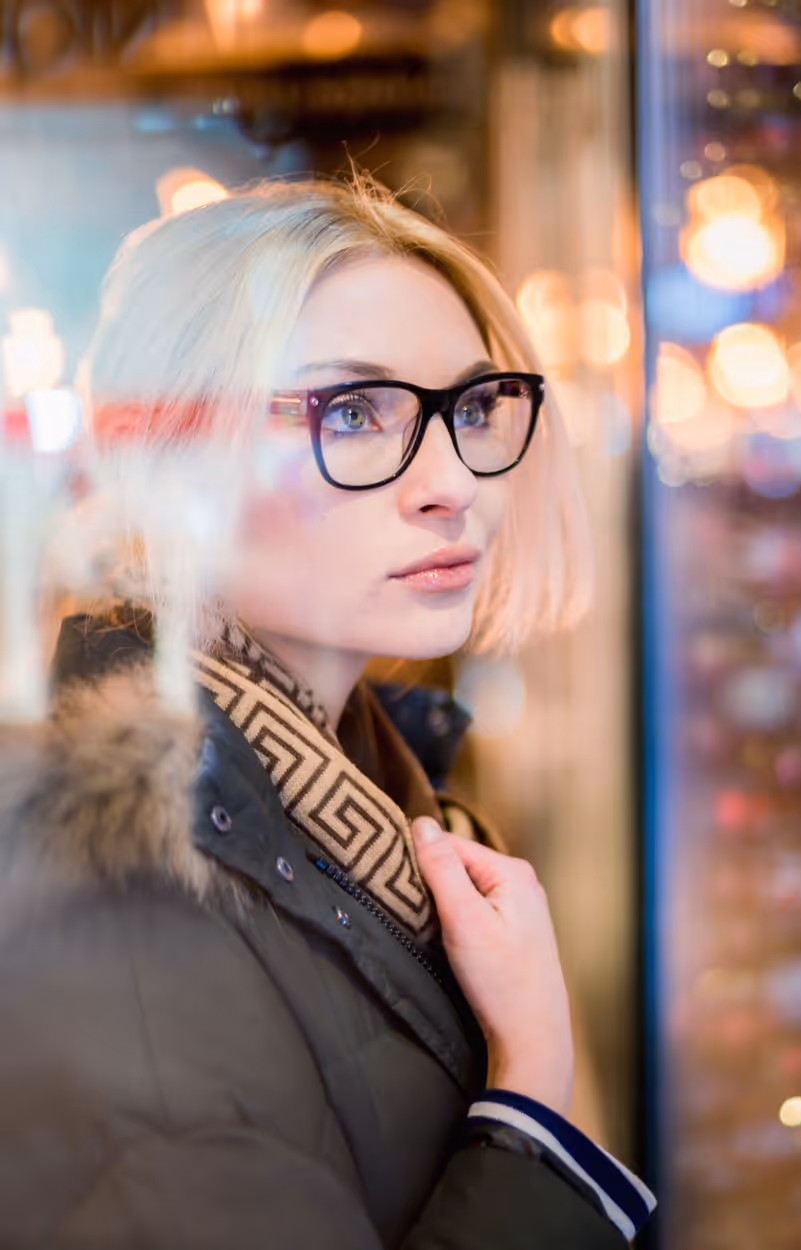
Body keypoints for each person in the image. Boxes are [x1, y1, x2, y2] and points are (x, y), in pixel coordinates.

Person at [0, 177, 655, 1248]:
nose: (451, 481)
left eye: (473, 405)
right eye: (351, 411)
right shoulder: (109, 908)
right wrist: (533, 1091)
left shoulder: (377, 809)